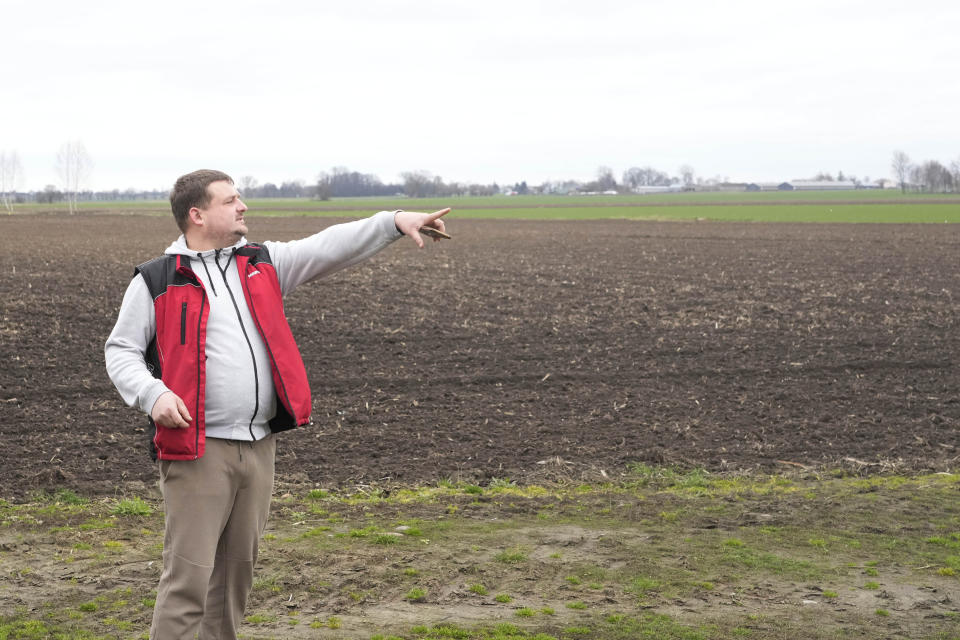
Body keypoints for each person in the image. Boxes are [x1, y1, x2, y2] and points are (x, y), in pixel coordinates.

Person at [104, 169, 449, 639]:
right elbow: (119, 351)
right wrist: (154, 394)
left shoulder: (261, 264)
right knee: (188, 581)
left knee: (234, 580)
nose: (243, 206)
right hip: (197, 451)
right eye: (231, 200)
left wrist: (393, 220)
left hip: (259, 447)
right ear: (197, 214)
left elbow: (328, 244)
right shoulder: (156, 280)